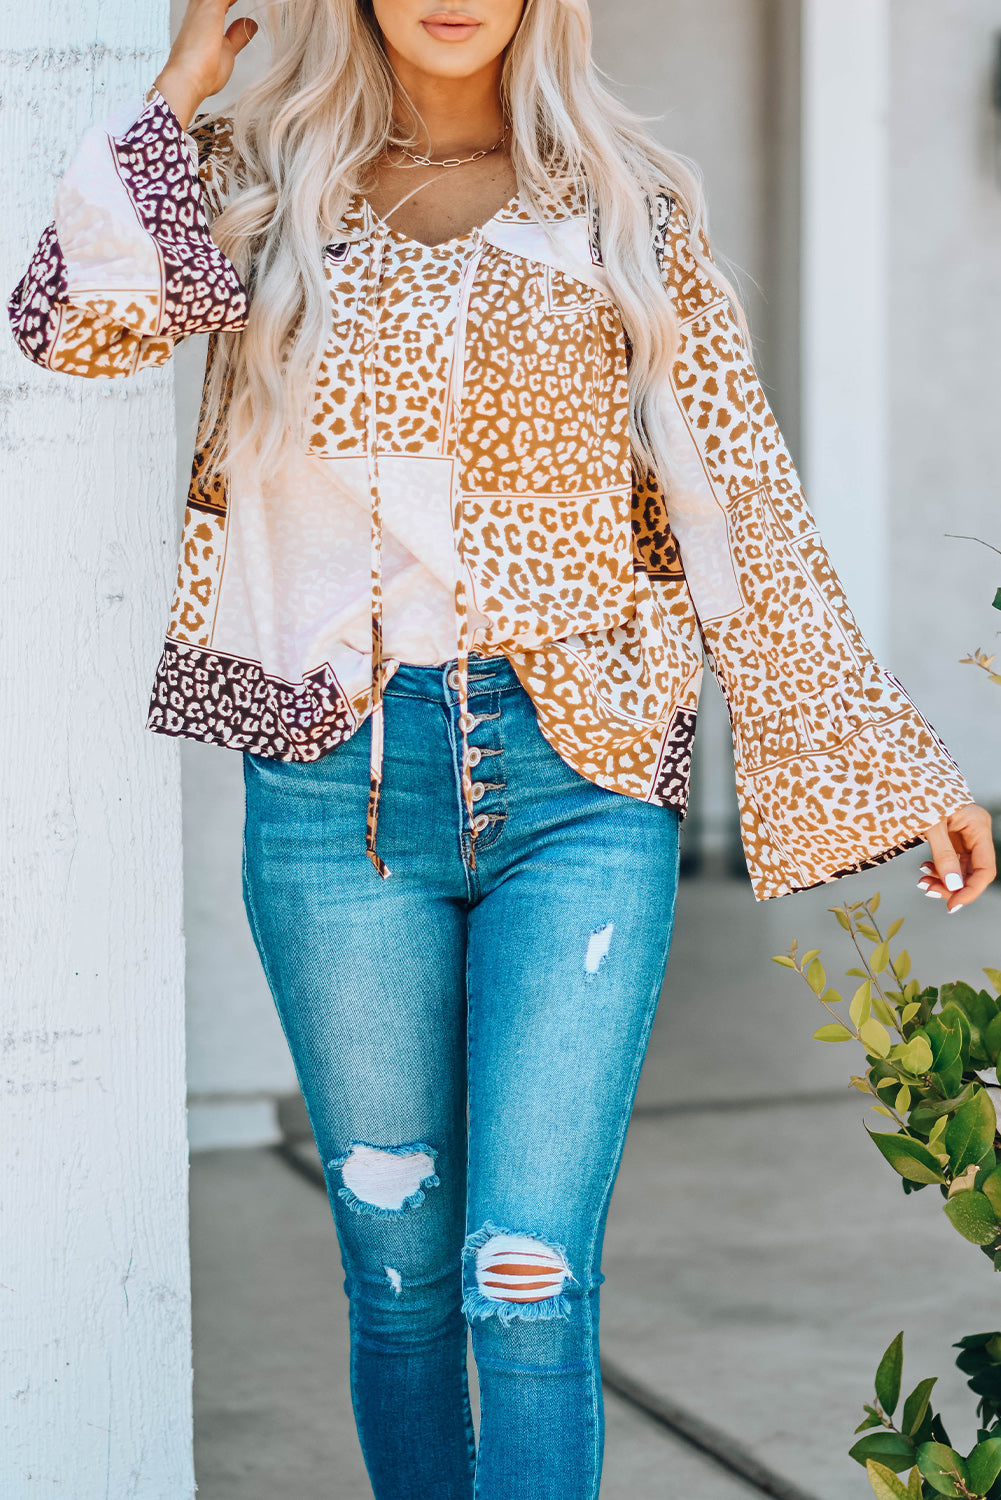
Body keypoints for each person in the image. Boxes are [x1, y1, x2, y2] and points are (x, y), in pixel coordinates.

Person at [9, 1, 996, 1494]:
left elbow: (741, 495)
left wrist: (895, 760)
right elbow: (71, 327)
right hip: (335, 789)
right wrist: (185, 82)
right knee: (399, 1279)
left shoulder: (625, 203)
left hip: (578, 779)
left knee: (526, 1274)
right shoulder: (258, 178)